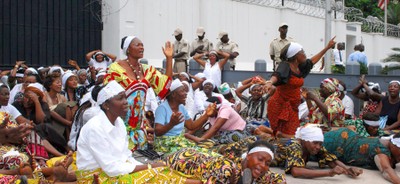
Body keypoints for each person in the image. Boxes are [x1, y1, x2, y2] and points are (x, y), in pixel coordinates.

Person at [75, 81, 198, 183]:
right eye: (120, 98)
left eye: (125, 97)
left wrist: (151, 166)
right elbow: (111, 168)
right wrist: (149, 166)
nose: (126, 102)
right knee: (158, 177)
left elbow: (125, 157)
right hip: (95, 176)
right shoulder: (95, 128)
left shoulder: (119, 124)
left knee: (165, 171)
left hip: (114, 171)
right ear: (106, 105)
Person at [104, 36, 174, 151]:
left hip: (139, 129)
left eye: (142, 45)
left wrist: (169, 58)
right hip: (120, 126)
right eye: (137, 45)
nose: (141, 47)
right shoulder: (115, 69)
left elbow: (165, 84)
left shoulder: (147, 70)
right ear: (127, 49)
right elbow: (107, 97)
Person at [265, 37, 336, 138]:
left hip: (293, 107)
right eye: (302, 52)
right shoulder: (285, 65)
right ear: (295, 56)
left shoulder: (299, 67)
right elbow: (277, 75)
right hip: (279, 105)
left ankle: (268, 133)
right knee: (290, 135)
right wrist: (269, 82)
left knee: (292, 133)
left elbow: (312, 62)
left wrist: (327, 47)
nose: (304, 54)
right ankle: (272, 137)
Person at [166, 139, 286, 183]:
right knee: (161, 166)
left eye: (268, 163)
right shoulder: (227, 169)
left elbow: (279, 179)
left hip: (210, 158)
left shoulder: (261, 173)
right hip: (187, 160)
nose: (263, 165)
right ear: (248, 156)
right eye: (260, 159)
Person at [271, 124, 363, 179]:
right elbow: (296, 171)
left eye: (320, 144)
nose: (318, 147)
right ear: (304, 140)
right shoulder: (295, 145)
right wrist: (329, 173)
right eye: (315, 143)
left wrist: (347, 169)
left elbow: (332, 161)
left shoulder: (315, 147)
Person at [324, 128, 400, 183]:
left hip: (349, 137)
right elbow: (386, 171)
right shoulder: (380, 151)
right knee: (316, 150)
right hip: (339, 143)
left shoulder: (390, 145)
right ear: (393, 145)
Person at [154, 79, 209, 154]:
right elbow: (157, 132)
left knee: (206, 153)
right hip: (166, 144)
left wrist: (206, 115)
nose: (186, 93)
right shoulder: (162, 108)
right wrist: (171, 124)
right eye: (182, 91)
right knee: (198, 155)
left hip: (179, 142)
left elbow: (191, 126)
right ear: (173, 95)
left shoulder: (181, 108)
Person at [185, 96, 251, 144]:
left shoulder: (225, 109)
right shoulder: (210, 112)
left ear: (215, 108)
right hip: (224, 133)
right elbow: (198, 125)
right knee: (210, 139)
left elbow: (215, 128)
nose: (206, 111)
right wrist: (186, 136)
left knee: (214, 142)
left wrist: (201, 139)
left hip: (239, 132)